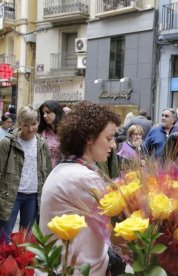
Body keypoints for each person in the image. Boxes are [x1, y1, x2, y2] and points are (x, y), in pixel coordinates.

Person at [39, 101, 124, 275]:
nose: (113, 145)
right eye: (108, 138)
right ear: (89, 138)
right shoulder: (83, 177)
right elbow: (122, 220)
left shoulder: (67, 169)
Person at [0, 106, 52, 243]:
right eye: (25, 125)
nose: (30, 129)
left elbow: (47, 171)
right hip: (11, 195)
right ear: (19, 124)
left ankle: (23, 265)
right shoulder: (7, 143)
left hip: (33, 196)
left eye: (34, 124)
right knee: (4, 237)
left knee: (27, 239)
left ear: (38, 121)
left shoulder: (42, 144)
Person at [38, 100, 65, 168]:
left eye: (48, 112)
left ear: (56, 112)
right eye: (43, 113)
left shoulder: (67, 131)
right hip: (44, 172)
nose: (44, 116)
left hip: (62, 172)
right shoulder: (41, 132)